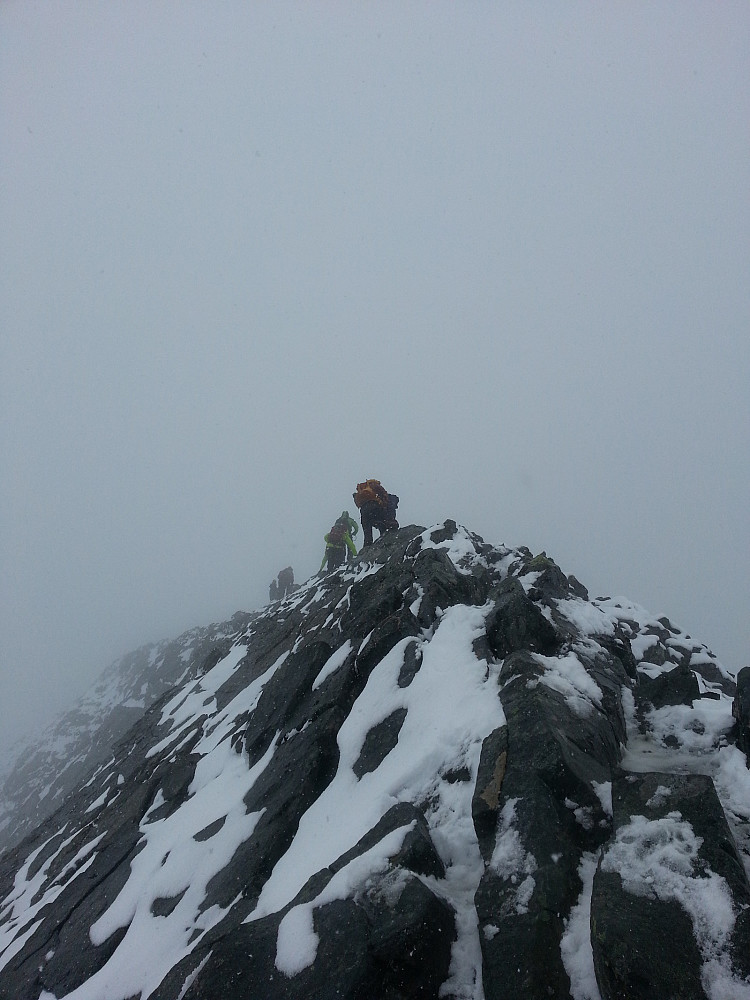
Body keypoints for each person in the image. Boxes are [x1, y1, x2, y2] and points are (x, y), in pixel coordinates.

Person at [352, 479, 399, 547]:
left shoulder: (364, 490)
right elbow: (385, 497)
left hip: (363, 511)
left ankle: (367, 547)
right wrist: (391, 520)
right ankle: (384, 539)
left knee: (367, 535)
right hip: (374, 507)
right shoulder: (376, 487)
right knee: (383, 526)